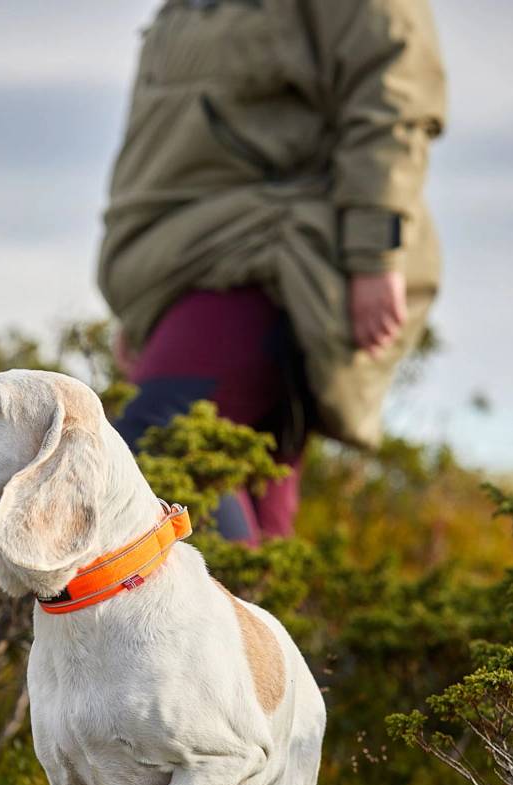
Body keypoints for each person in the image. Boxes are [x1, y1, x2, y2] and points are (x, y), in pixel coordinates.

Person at [99, 0, 446, 544]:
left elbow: (392, 93)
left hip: (275, 253)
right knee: (255, 501)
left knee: (161, 450)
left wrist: (374, 251)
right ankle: (264, 615)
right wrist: (145, 307)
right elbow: (170, 140)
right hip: (184, 265)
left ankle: (226, 620)